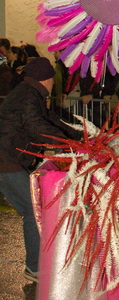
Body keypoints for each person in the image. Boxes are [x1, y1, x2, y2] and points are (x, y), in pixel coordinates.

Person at [0, 57, 82, 283]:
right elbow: (37, 126)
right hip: (7, 162)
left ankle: (36, 265)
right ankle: (34, 267)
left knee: (35, 210)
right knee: (33, 211)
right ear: (47, 79)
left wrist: (80, 137)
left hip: (10, 159)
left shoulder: (28, 93)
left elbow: (51, 120)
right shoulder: (29, 96)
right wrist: (69, 144)